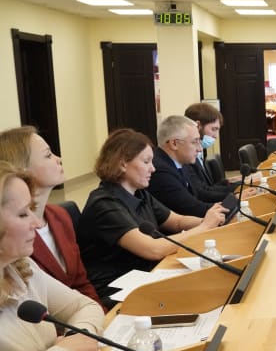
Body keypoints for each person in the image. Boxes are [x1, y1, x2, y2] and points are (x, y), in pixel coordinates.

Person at [0, 162, 104, 351]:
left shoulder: (21, 266)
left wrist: (78, 339)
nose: (37, 223)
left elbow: (85, 306)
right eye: (23, 214)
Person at [77, 128, 227, 301]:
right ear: (122, 164)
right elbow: (153, 249)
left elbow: (177, 221)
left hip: (146, 274)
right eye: (146, 162)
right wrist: (205, 227)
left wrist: (211, 220)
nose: (153, 169)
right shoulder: (104, 204)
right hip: (117, 289)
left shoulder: (139, 193)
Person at [0, 127, 103, 309]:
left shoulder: (60, 216)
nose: (59, 159)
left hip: (81, 314)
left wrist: (104, 318)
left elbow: (82, 283)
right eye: (48, 155)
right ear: (22, 168)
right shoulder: (14, 240)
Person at [147, 115, 228, 218]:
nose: (199, 149)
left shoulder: (181, 162)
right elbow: (191, 208)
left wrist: (234, 199)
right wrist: (233, 204)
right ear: (174, 144)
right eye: (194, 142)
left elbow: (199, 194)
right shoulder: (160, 172)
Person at [183, 104, 256, 203]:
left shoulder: (199, 153)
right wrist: (236, 195)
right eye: (213, 129)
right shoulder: (186, 157)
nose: (216, 136)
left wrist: (230, 182)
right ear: (198, 126)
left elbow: (207, 187)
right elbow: (201, 193)